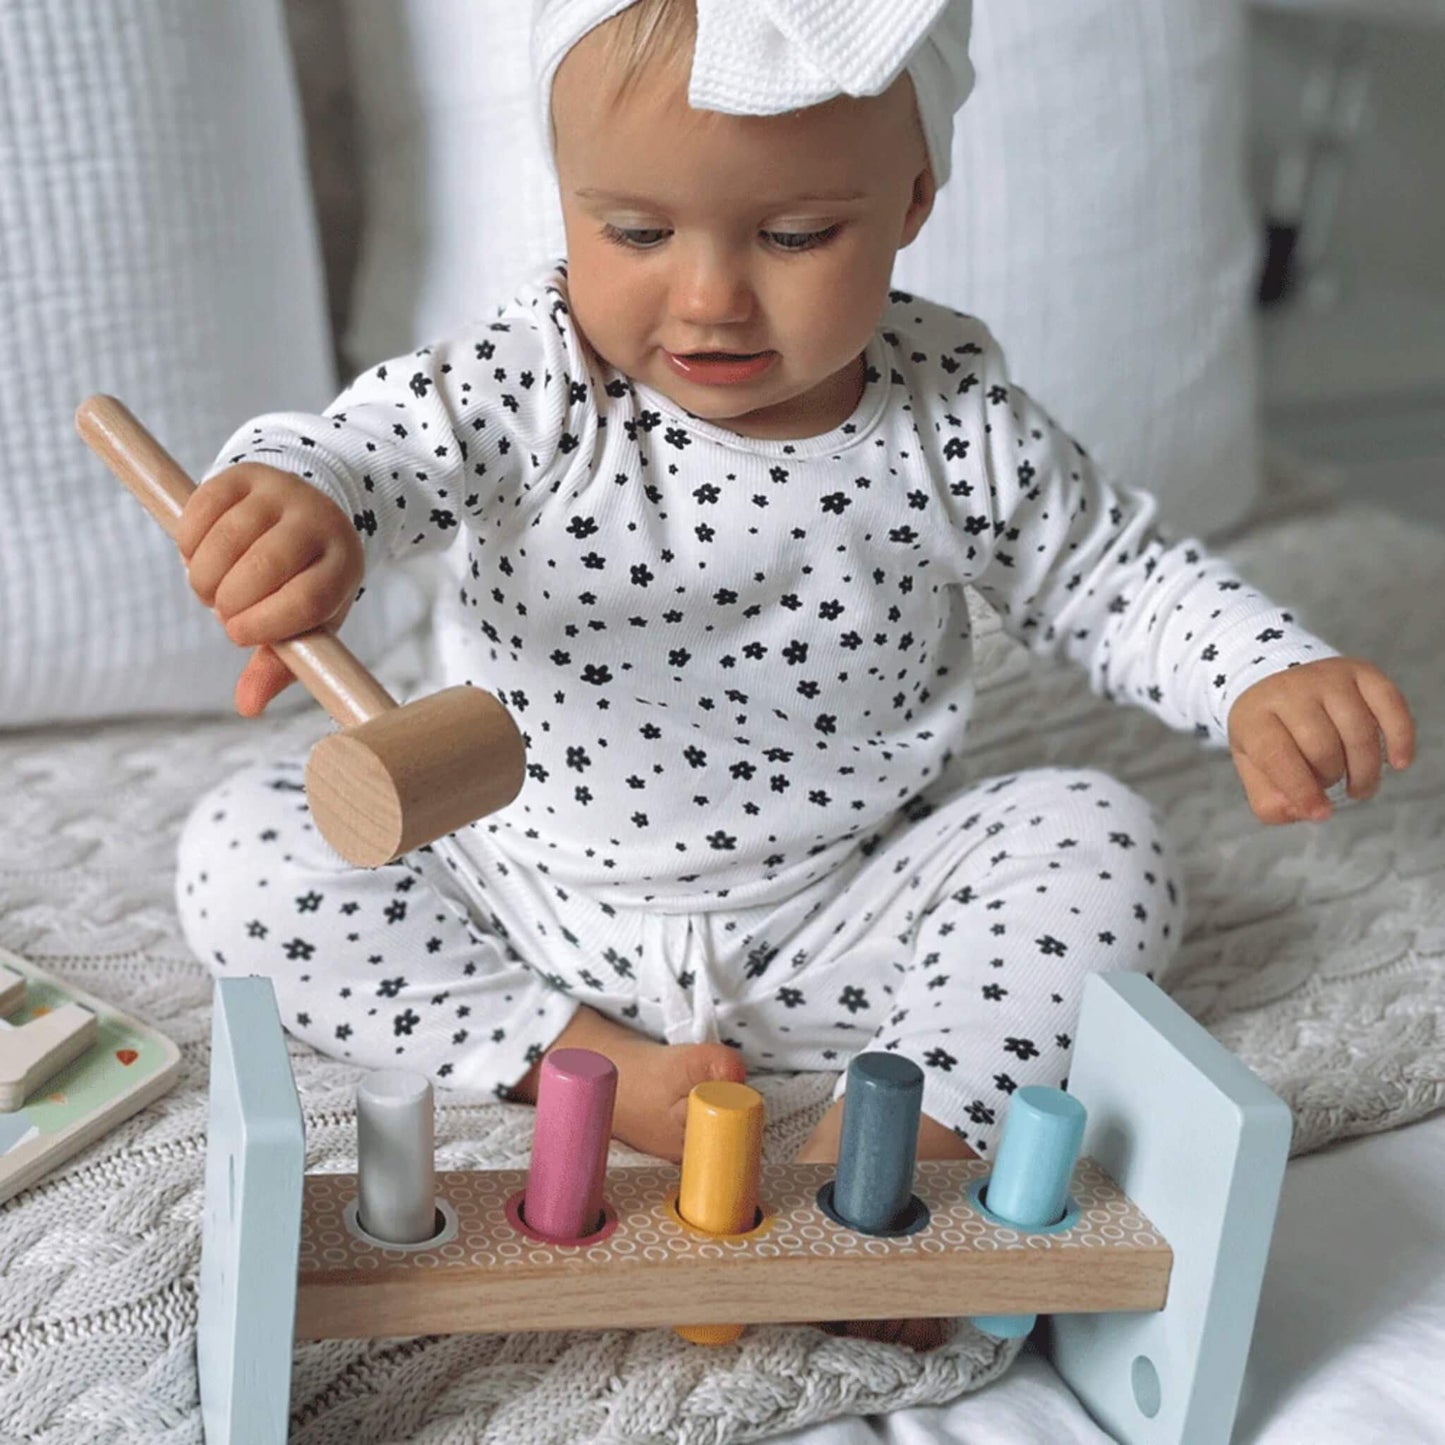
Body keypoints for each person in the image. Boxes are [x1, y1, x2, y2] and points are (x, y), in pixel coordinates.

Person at [173, 0, 1416, 1348]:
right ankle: (581, 1060)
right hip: (524, 888)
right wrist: (300, 503)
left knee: (1098, 835)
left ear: (913, 199)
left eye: (795, 234)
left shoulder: (948, 414)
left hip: (843, 908)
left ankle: (888, 1166)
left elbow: (1108, 576)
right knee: (243, 846)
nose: (708, 295)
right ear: (567, 196)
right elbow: (374, 449)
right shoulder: (532, 379)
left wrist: (1259, 673)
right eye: (634, 232)